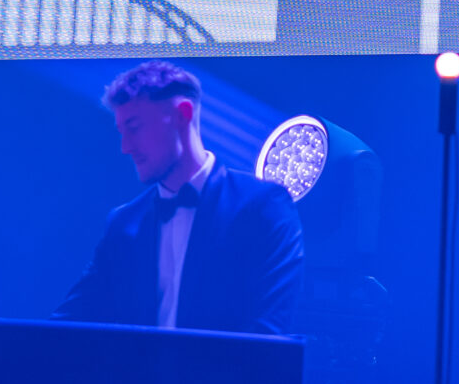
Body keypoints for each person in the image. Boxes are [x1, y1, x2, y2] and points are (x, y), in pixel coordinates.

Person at [54, 60, 304, 335]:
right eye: (122, 132)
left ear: (183, 114)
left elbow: (268, 333)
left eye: (134, 127)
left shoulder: (263, 207)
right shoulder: (123, 224)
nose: (125, 147)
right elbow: (69, 323)